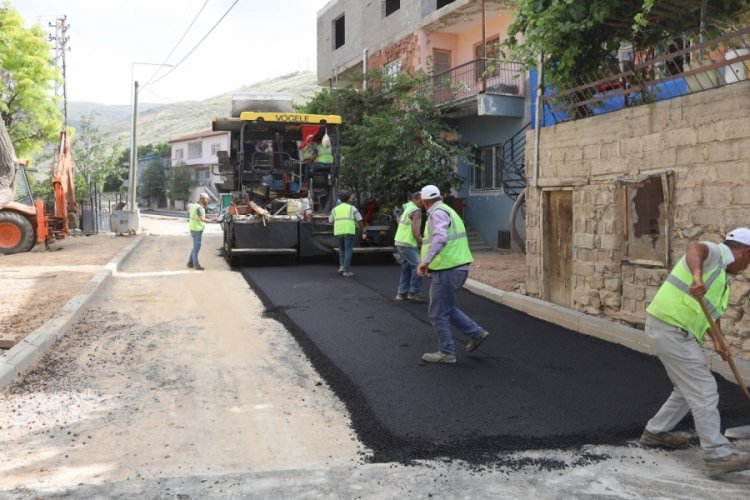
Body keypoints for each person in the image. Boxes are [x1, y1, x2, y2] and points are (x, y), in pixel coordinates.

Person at [639, 228, 750, 479]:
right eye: (749, 260)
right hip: (670, 328)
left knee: (686, 388)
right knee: (703, 388)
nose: (747, 267)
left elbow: (711, 314)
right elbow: (694, 248)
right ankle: (717, 455)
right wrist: (697, 276)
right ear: (745, 251)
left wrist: (720, 341)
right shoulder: (716, 254)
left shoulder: (722, 277)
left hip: (676, 331)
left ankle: (656, 432)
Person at [416, 185, 488, 363]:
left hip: (447, 269)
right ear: (439, 197)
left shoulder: (437, 213)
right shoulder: (448, 210)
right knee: (446, 307)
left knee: (437, 313)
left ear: (425, 202)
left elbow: (440, 237)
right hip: (457, 267)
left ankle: (446, 353)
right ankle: (476, 333)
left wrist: (425, 261)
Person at [394, 191, 426, 302]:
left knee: (406, 267)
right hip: (407, 242)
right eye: (423, 199)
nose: (424, 201)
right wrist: (422, 241)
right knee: (419, 266)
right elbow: (416, 230)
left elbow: (399, 221)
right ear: (416, 199)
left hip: (400, 241)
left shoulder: (408, 207)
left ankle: (401, 293)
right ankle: (413, 293)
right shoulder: (416, 210)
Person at [329, 191, 366, 277]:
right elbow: (359, 220)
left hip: (339, 231)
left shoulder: (335, 209)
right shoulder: (352, 208)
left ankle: (341, 267)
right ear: (348, 199)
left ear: (340, 199)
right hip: (349, 230)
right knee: (348, 250)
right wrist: (363, 229)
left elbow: (330, 220)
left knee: (341, 249)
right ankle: (346, 271)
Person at [187, 193, 213, 271]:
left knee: (195, 246)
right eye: (207, 199)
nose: (207, 201)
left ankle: (190, 262)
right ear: (202, 199)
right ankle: (196, 264)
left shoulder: (194, 205)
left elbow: (195, 214)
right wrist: (213, 220)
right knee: (197, 247)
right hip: (196, 229)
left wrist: (205, 207)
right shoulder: (199, 208)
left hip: (192, 228)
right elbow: (202, 219)